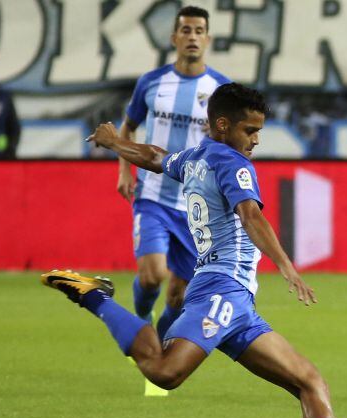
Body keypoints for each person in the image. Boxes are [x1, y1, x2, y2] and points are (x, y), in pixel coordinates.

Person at [42, 83, 347, 418]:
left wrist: (115, 142)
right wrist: (286, 265)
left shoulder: (198, 157)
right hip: (221, 291)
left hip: (238, 303)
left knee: (309, 380)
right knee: (165, 372)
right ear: (222, 124)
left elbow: (154, 157)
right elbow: (250, 215)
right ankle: (95, 295)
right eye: (249, 130)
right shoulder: (232, 164)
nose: (255, 140)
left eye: (258, 131)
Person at [117, 6, 230, 395]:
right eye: (186, 30)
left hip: (196, 209)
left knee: (179, 296)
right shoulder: (151, 83)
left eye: (200, 30)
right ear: (174, 38)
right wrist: (123, 171)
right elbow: (128, 127)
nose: (193, 36)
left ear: (209, 39)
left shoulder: (221, 90)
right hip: (153, 196)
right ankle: (140, 316)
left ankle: (159, 362)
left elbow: (230, 146)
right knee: (152, 275)